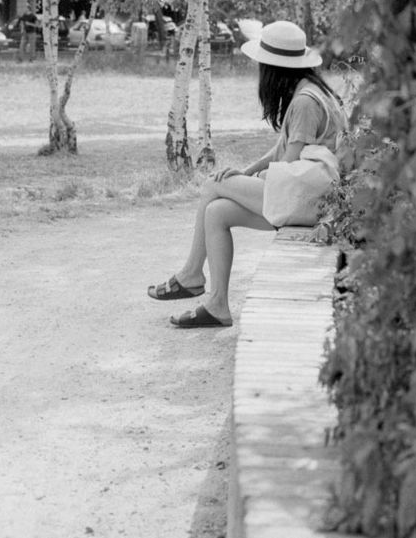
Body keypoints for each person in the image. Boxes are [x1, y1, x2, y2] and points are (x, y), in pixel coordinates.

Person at [147, 20, 348, 329]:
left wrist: (243, 182)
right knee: (217, 212)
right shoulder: (310, 92)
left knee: (214, 185)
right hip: (309, 199)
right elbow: (285, 150)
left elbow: (289, 169)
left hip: (307, 201)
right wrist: (249, 172)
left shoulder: (305, 103)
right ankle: (217, 304)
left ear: (272, 68)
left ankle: (191, 274)